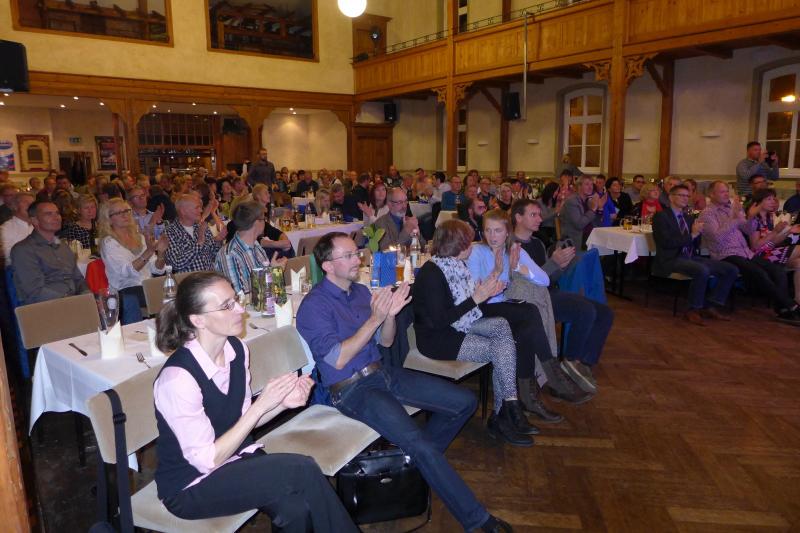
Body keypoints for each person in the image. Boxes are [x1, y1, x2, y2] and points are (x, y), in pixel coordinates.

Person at [296, 233, 512, 533]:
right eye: (348, 255)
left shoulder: (360, 292)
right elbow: (338, 360)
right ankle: (478, 520)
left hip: (381, 373)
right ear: (327, 266)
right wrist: (375, 318)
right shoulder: (313, 306)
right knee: (419, 443)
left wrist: (389, 317)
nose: (357, 259)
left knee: (464, 402)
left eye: (356, 252)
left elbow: (386, 341)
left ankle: (418, 463)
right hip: (351, 389)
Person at [152, 272, 357, 530]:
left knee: (295, 508)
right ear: (198, 320)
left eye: (235, 300)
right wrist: (262, 404)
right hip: (191, 484)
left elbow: (241, 418)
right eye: (227, 306)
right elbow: (207, 460)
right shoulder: (178, 379)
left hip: (235, 456)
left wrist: (282, 403)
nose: (240, 309)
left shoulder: (236, 350)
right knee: (301, 468)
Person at [412, 220, 537, 446]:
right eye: (468, 243)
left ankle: (506, 409)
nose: (472, 246)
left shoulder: (456, 266)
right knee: (501, 349)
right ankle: (505, 413)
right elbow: (440, 321)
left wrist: (487, 291)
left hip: (459, 326)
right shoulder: (431, 274)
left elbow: (468, 307)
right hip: (438, 339)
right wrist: (476, 298)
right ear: (457, 245)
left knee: (501, 326)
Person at [468, 209, 592, 404]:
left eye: (498, 230)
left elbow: (544, 280)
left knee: (527, 324)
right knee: (530, 311)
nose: (492, 236)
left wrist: (518, 267)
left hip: (504, 305)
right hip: (482, 308)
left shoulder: (514, 250)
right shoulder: (477, 251)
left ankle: (530, 396)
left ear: (507, 232)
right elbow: (475, 291)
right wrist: (499, 271)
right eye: (488, 230)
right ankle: (553, 377)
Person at [512, 199, 613, 400]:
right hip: (532, 300)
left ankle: (583, 362)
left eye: (539, 214)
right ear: (518, 217)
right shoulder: (512, 246)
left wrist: (561, 266)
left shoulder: (537, 243)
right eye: (533, 215)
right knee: (585, 310)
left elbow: (548, 279)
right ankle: (570, 361)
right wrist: (553, 263)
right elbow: (526, 284)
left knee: (605, 313)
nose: (540, 218)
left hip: (548, 293)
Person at [699, 181, 800, 325]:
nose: (726, 194)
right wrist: (735, 219)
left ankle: (783, 310)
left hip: (745, 252)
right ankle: (792, 306)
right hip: (725, 254)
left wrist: (751, 216)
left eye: (727, 191)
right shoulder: (707, 213)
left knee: (777, 271)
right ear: (711, 194)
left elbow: (747, 230)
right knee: (759, 273)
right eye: (722, 192)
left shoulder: (731, 209)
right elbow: (717, 238)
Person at [652, 185, 738, 326]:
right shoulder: (661, 217)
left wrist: (698, 234)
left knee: (731, 269)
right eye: (681, 195)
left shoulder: (689, 217)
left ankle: (710, 305)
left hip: (690, 256)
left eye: (687, 196)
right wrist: (692, 234)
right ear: (671, 198)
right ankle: (693, 309)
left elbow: (695, 243)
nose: (685, 198)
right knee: (702, 270)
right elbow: (666, 243)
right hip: (671, 258)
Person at [98, 198, 168, 324]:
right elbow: (126, 272)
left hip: (146, 285)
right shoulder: (108, 242)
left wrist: (161, 253)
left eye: (127, 211)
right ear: (109, 219)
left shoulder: (140, 237)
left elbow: (156, 269)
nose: (125, 215)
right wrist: (149, 251)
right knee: (163, 295)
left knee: (174, 289)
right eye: (118, 213)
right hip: (125, 289)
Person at [11, 201, 88, 304]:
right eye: (48, 214)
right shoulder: (23, 250)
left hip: (72, 302)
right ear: (35, 220)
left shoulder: (64, 247)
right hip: (45, 306)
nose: (56, 217)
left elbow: (78, 279)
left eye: (57, 213)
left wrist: (87, 295)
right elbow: (35, 291)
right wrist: (70, 301)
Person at [215, 200, 287, 294]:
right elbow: (241, 297)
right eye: (263, 219)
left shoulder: (256, 245)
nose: (265, 223)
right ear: (256, 222)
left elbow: (267, 289)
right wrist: (274, 274)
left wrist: (273, 270)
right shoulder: (230, 255)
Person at [747, 188, 800, 306]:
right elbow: (755, 246)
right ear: (759, 202)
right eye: (769, 199)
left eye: (773, 198)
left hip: (771, 252)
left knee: (799, 263)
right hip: (759, 256)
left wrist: (789, 231)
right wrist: (775, 231)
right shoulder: (754, 220)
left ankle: (797, 300)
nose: (773, 202)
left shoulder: (769, 218)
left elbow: (773, 242)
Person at [165, 194, 226, 273]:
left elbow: (215, 255)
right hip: (188, 279)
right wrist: (199, 242)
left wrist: (218, 240)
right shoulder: (170, 232)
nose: (201, 210)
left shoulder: (201, 226)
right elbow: (177, 263)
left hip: (209, 276)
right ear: (183, 211)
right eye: (197, 207)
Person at [560, 175, 603, 250]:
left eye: (591, 184)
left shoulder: (587, 201)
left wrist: (599, 209)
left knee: (609, 246)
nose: (590, 187)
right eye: (587, 184)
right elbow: (579, 224)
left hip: (589, 237)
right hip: (576, 239)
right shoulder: (572, 201)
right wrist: (593, 209)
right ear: (579, 186)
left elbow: (597, 223)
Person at [1, 192, 35, 265]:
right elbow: (8, 256)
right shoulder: (5, 229)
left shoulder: (39, 226)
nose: (30, 205)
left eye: (32, 203)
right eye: (26, 202)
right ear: (15, 206)